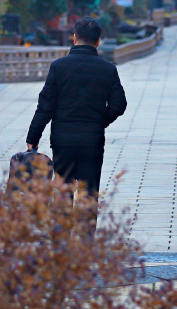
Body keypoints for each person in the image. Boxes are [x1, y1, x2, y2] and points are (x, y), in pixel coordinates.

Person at [26, 17, 127, 201]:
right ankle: (86, 221)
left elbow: (45, 106)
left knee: (63, 193)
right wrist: (99, 121)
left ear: (74, 38)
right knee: (89, 195)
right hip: (92, 140)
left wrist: (33, 137)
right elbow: (119, 104)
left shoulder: (59, 67)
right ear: (98, 41)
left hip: (63, 140)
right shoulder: (108, 69)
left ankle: (63, 220)